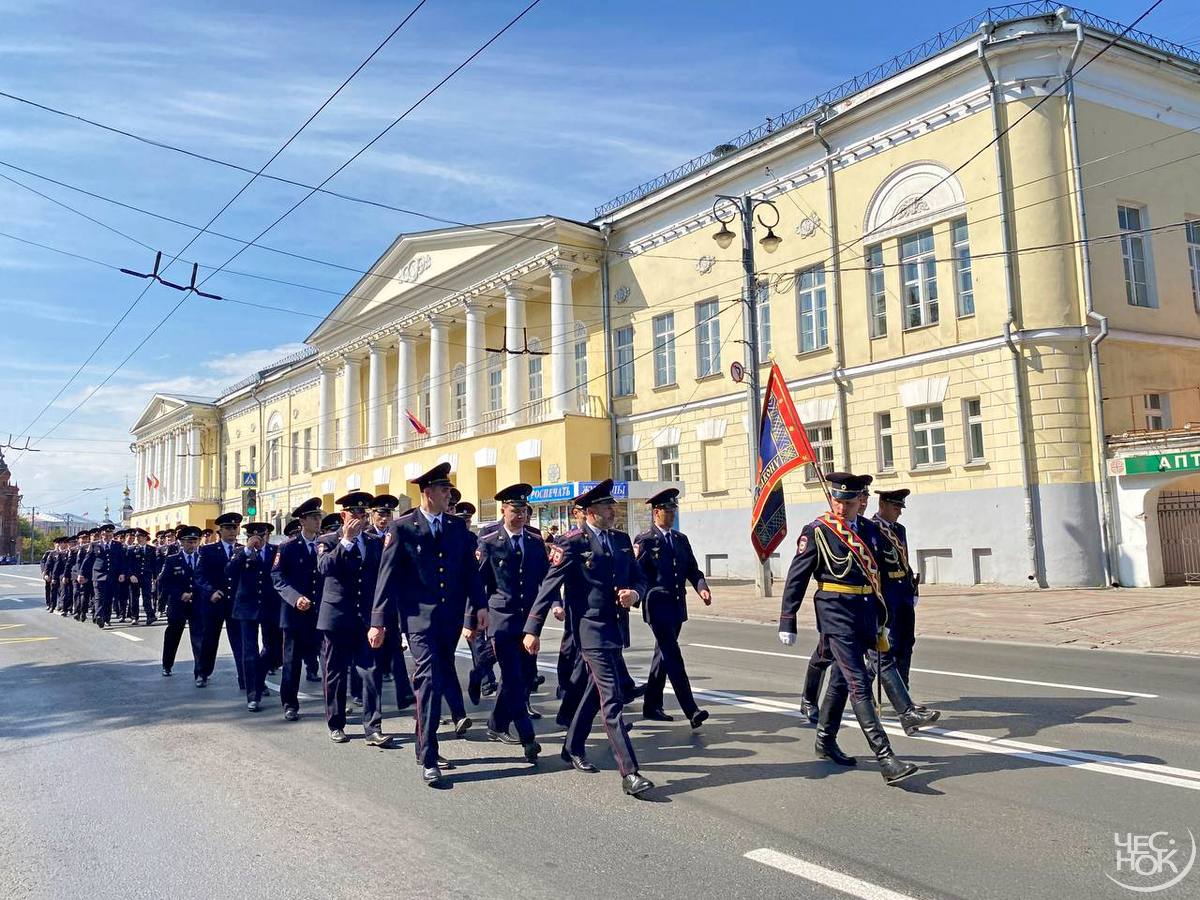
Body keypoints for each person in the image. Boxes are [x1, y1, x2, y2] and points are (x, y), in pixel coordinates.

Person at [778, 473, 919, 785]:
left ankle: (825, 741)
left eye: (849, 501)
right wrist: (788, 618)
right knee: (858, 683)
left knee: (841, 681)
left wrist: (887, 612)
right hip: (835, 613)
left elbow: (882, 573)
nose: (841, 507)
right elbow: (797, 576)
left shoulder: (870, 530)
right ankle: (886, 757)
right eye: (837, 501)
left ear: (861, 502)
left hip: (866, 613)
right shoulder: (817, 531)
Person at [523, 479, 654, 798]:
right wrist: (532, 628)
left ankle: (572, 745)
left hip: (615, 629)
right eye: (608, 506)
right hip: (588, 631)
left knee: (596, 692)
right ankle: (630, 772)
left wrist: (634, 594)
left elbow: (640, 578)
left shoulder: (622, 540)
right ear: (591, 512)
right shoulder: (571, 542)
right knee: (612, 698)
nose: (613, 510)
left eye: (612, 505)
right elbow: (548, 587)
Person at [372, 462, 485, 786]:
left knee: (434, 679)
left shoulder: (456, 527)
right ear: (427, 493)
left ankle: (424, 747)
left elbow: (469, 571)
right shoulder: (404, 527)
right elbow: (387, 576)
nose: (448, 494)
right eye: (443, 489)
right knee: (430, 681)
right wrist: (378, 621)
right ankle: (430, 756)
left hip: (448, 621)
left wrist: (479, 606)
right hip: (418, 620)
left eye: (449, 489)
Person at [474, 483, 546, 762]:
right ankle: (528, 739)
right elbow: (478, 583)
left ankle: (496, 723)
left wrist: (556, 604)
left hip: (528, 621)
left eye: (524, 510)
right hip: (501, 619)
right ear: (503, 510)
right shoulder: (490, 541)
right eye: (515, 510)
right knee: (513, 678)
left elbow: (546, 579)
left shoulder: (535, 541)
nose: (521, 515)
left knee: (524, 676)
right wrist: (473, 618)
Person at [316, 491, 393, 748]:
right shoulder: (328, 540)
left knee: (371, 671)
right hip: (336, 618)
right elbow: (325, 567)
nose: (358, 518)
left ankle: (373, 727)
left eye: (362, 513)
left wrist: (379, 618)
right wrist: (346, 541)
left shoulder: (373, 542)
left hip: (364, 618)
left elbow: (380, 579)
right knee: (335, 673)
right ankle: (336, 723)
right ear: (343, 516)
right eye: (353, 514)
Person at [633, 488, 711, 728]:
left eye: (673, 510)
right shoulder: (645, 540)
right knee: (673, 656)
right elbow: (637, 573)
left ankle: (651, 704)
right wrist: (636, 596)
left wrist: (701, 587)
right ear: (656, 512)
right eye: (667, 510)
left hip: (677, 605)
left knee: (663, 656)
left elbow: (692, 569)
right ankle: (691, 709)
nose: (671, 514)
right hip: (656, 606)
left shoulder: (680, 539)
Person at [272, 499, 325, 722]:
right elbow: (277, 577)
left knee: (329, 661)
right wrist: (295, 598)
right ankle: (290, 704)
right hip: (295, 614)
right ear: (302, 521)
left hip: (322, 613)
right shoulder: (287, 547)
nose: (317, 521)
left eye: (319, 517)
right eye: (313, 517)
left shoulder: (326, 544)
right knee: (292, 663)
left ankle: (334, 703)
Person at [366, 494, 416, 711]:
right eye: (380, 514)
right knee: (372, 655)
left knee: (396, 647)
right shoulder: (367, 537)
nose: (385, 518)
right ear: (372, 515)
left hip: (394, 601)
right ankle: (366, 698)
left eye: (388, 514)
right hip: (372, 603)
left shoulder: (397, 535)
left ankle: (404, 693)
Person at [228, 522, 282, 712]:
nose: (259, 539)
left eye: (262, 535)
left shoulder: (277, 551)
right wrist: (246, 550)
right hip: (246, 607)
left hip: (271, 607)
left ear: (268, 535)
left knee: (273, 649)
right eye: (254, 536)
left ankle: (258, 679)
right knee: (249, 652)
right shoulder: (240, 552)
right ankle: (253, 695)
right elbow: (230, 571)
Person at [195, 512, 245, 690]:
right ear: (220, 531)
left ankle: (244, 677)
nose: (233, 531)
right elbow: (199, 576)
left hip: (235, 603)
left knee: (239, 641)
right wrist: (211, 591)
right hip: (215, 602)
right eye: (229, 528)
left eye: (235, 528)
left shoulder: (242, 549)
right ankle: (203, 673)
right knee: (210, 639)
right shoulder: (208, 550)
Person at [157, 526, 205, 680]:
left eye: (194, 541)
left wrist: (195, 593)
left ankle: (200, 671)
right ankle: (167, 665)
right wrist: (180, 594)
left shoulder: (203, 559)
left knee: (199, 637)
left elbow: (206, 580)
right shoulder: (172, 560)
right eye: (188, 542)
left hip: (198, 603)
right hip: (178, 605)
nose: (192, 545)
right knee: (173, 635)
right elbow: (165, 581)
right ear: (181, 543)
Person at [83, 522, 126, 629]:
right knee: (98, 597)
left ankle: (106, 618)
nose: (107, 537)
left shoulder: (118, 545)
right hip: (98, 575)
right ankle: (99, 616)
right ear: (101, 535)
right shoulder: (94, 545)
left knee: (108, 598)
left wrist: (121, 573)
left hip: (113, 576)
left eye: (110, 535)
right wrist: (81, 574)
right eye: (105, 535)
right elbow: (87, 560)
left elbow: (122, 561)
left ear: (112, 535)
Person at [126, 528, 156, 626]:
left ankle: (150, 615)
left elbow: (153, 564)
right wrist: (131, 575)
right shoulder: (132, 549)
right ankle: (135, 617)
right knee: (134, 597)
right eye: (137, 537)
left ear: (145, 538)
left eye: (141, 537)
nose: (138, 539)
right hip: (135, 576)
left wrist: (154, 577)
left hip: (146, 576)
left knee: (147, 596)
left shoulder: (151, 549)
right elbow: (128, 564)